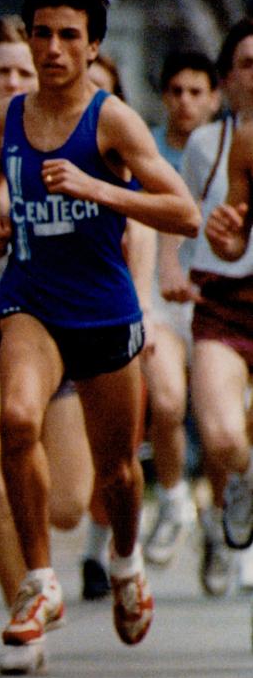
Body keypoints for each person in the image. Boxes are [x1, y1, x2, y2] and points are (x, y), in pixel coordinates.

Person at [0, 0, 198, 676]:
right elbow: (3, 187)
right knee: (17, 420)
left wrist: (99, 189)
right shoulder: (9, 116)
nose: (52, 47)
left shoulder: (112, 121)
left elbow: (185, 212)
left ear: (92, 44)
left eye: (68, 35)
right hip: (31, 301)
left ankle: (128, 564)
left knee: (118, 479)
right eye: (41, 33)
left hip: (104, 310)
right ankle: (40, 583)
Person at [0, 17, 96, 629]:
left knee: (66, 505)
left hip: (58, 327)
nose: (15, 81)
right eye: (4, 72)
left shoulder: (65, 141)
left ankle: (48, 566)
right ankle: (27, 608)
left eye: (25, 71)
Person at [142, 50, 222, 565]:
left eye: (196, 92)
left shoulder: (229, 148)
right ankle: (173, 500)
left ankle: (216, 519)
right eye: (176, 91)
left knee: (219, 423)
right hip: (160, 294)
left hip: (217, 296)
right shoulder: (145, 147)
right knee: (167, 403)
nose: (185, 102)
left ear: (214, 99)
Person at [186, 20, 253, 597]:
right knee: (224, 438)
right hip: (226, 302)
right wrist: (224, 233)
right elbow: (229, 236)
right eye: (248, 64)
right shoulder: (223, 144)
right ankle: (241, 481)